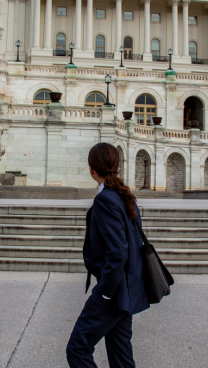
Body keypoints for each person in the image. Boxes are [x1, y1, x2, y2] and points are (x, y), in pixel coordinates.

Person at [66, 143, 150, 368]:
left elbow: (118, 252)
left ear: (91, 169)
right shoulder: (124, 196)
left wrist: (104, 292)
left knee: (77, 348)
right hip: (126, 289)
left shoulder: (106, 199)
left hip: (113, 291)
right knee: (121, 356)